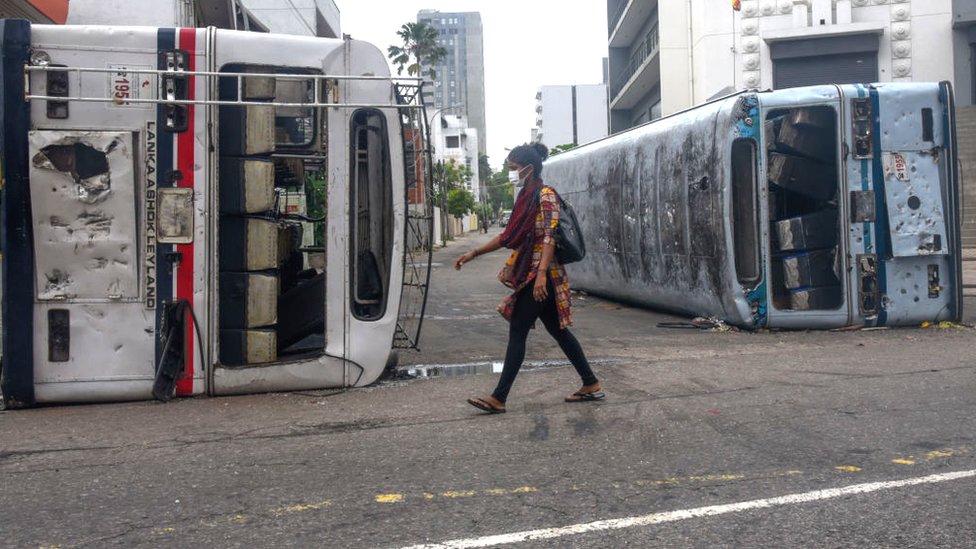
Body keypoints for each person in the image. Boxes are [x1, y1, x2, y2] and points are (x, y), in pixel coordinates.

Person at [454, 142, 603, 414]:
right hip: (535, 273)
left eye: (513, 168)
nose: (511, 173)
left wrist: (542, 276)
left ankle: (499, 397)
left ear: (529, 169)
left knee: (518, 331)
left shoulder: (545, 196)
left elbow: (549, 236)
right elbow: (507, 236)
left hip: (542, 274)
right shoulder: (525, 197)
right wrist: (473, 252)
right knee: (558, 331)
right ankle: (590, 383)